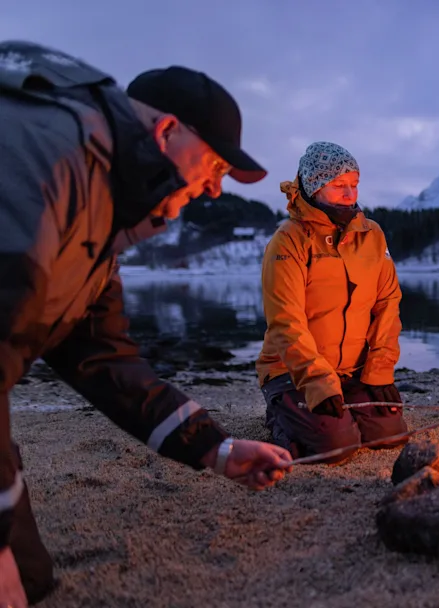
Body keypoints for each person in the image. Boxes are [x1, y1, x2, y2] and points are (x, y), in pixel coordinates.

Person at [0, 42, 293, 607]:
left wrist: (215, 448)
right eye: (214, 166)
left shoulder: (98, 212)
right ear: (166, 134)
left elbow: (104, 357)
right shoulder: (47, 162)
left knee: (29, 580)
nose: (214, 188)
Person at [256, 142, 407, 463]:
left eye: (354, 185)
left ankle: (328, 417)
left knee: (390, 435)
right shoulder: (289, 240)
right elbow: (286, 320)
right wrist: (316, 382)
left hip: (350, 370)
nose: (350, 194)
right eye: (339, 185)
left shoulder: (372, 234)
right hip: (293, 370)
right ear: (314, 186)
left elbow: (387, 302)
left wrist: (379, 371)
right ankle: (280, 414)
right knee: (337, 447)